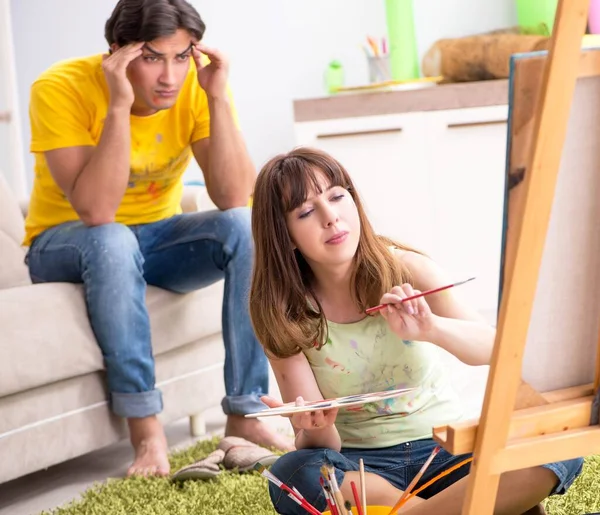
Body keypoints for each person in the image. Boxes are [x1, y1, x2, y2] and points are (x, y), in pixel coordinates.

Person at [23, 0, 291, 477]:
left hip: (158, 237)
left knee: (244, 225)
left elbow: (234, 196)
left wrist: (215, 97)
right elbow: (96, 212)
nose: (170, 75)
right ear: (117, 54)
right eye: (152, 57)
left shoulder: (192, 87)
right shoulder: (59, 87)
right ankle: (147, 433)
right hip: (65, 242)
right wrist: (121, 104)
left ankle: (246, 413)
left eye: (182, 56)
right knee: (112, 238)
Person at [248, 147, 584, 514]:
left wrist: (432, 328)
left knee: (558, 445)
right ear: (286, 236)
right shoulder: (282, 312)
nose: (331, 217)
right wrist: (313, 426)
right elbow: (319, 444)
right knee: (294, 472)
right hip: (363, 468)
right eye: (307, 212)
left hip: (448, 452)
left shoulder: (406, 268)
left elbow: (501, 348)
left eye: (337, 196)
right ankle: (479, 505)